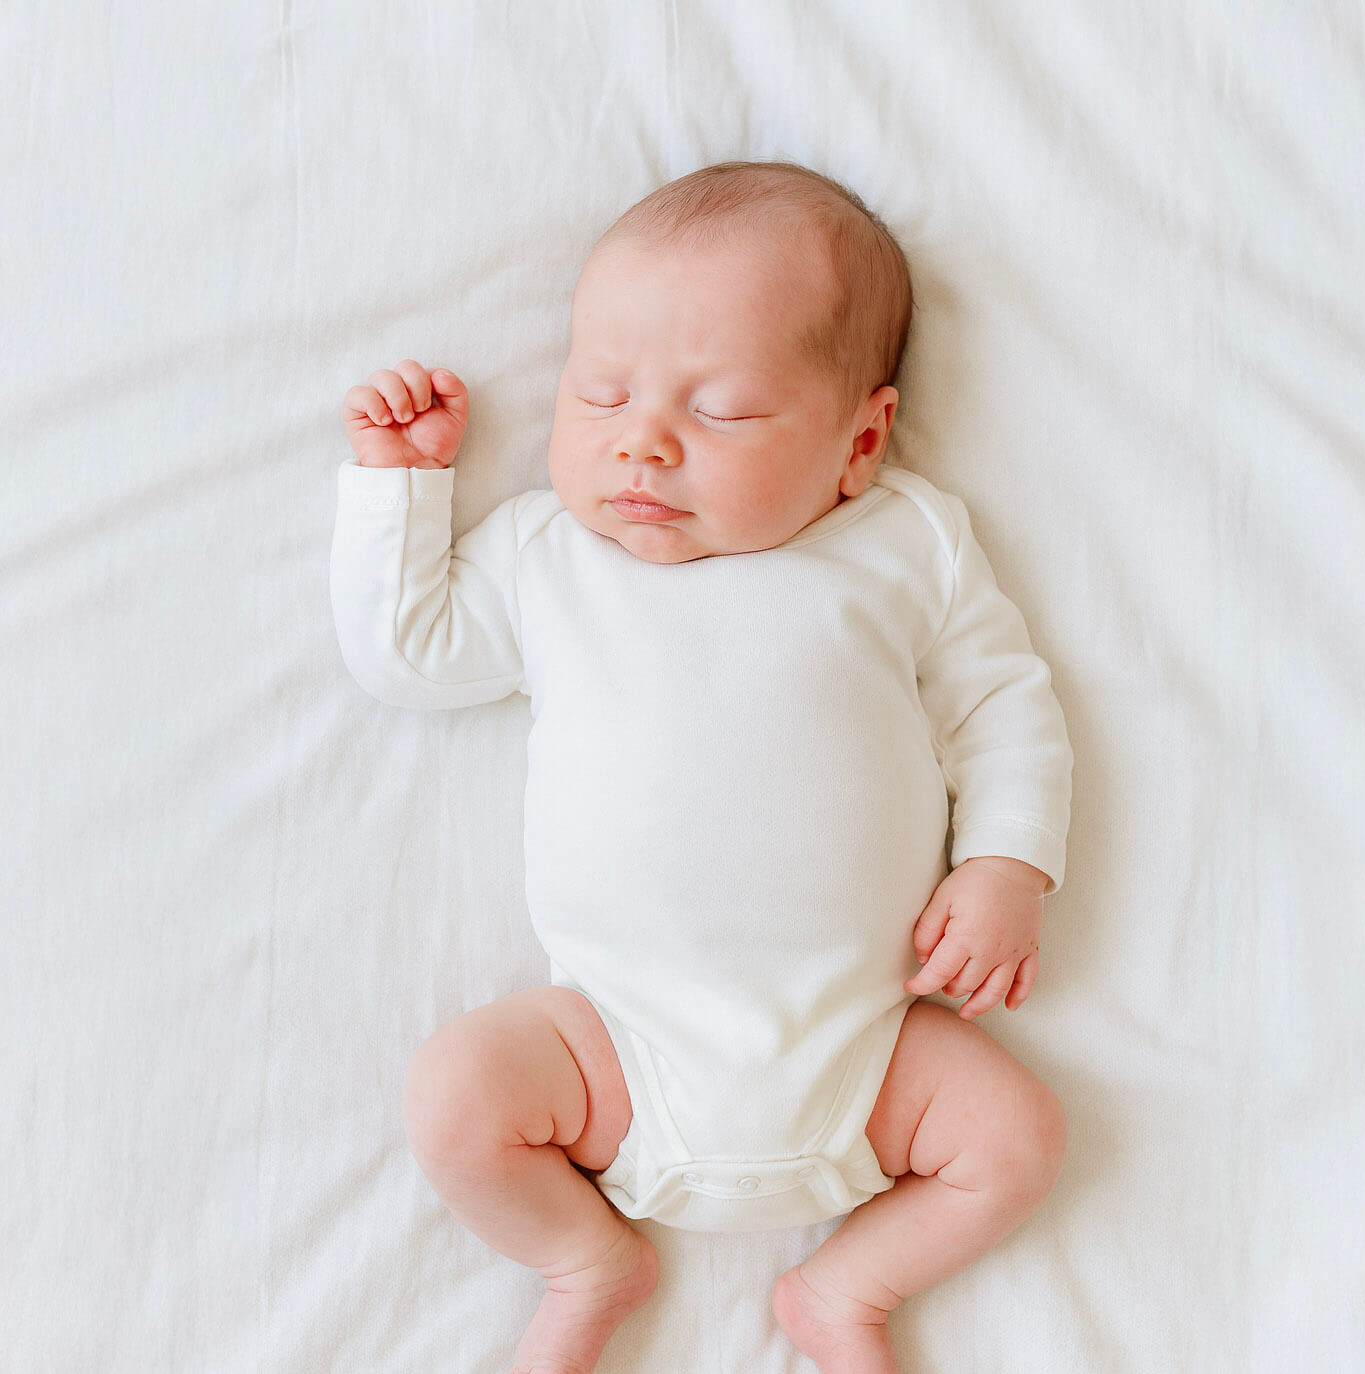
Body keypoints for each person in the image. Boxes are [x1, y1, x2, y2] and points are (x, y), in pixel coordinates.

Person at [330, 161, 1073, 1374]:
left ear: (859, 440)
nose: (644, 444)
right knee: (455, 1095)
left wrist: (1006, 867)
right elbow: (406, 657)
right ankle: (586, 1261)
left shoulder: (901, 545)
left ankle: (845, 1291)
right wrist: (402, 486)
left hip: (867, 1050)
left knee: (1020, 1138)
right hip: (616, 1052)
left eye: (721, 409)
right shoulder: (550, 559)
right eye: (600, 394)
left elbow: (1004, 707)